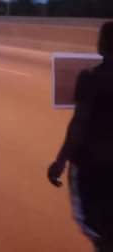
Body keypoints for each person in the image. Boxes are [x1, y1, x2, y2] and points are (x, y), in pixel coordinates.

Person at [48, 21, 113, 252]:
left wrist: (60, 160)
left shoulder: (91, 78)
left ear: (103, 46)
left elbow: (80, 123)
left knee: (98, 229)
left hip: (92, 166)